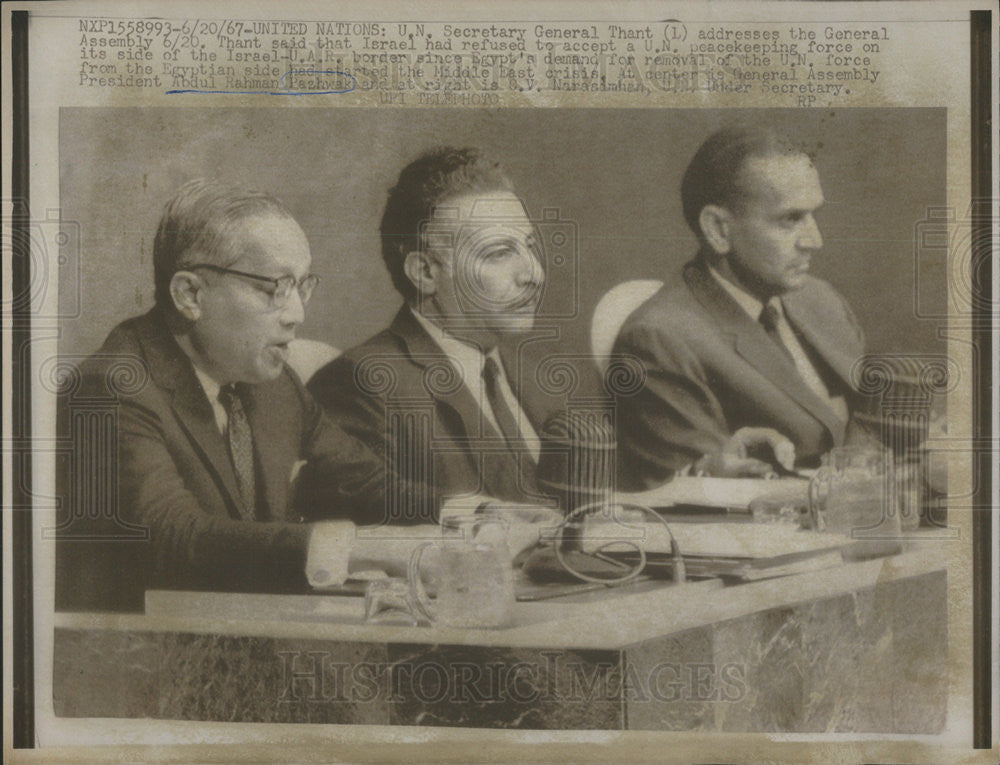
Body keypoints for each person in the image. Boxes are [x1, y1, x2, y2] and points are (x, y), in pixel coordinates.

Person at [54, 179, 473, 612]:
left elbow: (365, 481)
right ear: (190, 294)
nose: (297, 314)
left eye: (301, 286)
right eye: (273, 287)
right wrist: (368, 549)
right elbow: (175, 537)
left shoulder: (274, 385)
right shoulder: (108, 387)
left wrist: (475, 518)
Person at [309, 148, 558, 524]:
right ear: (425, 271)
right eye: (497, 253)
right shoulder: (363, 382)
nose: (533, 273)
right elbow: (356, 516)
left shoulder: (531, 376)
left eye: (529, 247)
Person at [614, 126, 866, 489]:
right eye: (790, 219)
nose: (815, 240)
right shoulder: (660, 340)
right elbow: (702, 501)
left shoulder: (821, 299)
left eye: (813, 216)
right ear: (718, 229)